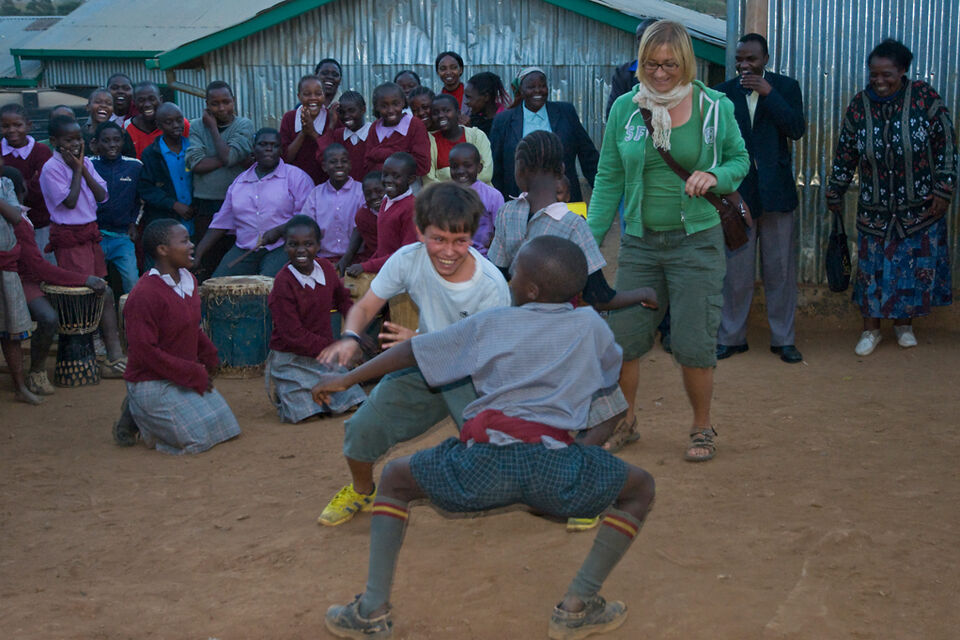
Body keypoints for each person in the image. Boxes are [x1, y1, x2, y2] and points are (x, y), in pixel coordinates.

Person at [316, 236, 655, 640]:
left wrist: (347, 379)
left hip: (483, 465)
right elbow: (611, 398)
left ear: (532, 290)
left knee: (395, 478)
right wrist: (577, 457)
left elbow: (413, 353)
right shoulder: (592, 327)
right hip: (555, 468)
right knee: (640, 488)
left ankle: (371, 611)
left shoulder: (492, 323)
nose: (509, 280)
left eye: (517, 274)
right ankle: (577, 607)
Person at [586, 21, 749, 462]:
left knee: (694, 343)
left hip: (697, 243)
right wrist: (588, 243)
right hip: (640, 243)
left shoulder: (714, 107)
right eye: (650, 64)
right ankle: (625, 421)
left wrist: (715, 175)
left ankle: (702, 427)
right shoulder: (625, 109)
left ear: (686, 63)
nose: (659, 74)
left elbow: (739, 160)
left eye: (670, 65)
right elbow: (608, 178)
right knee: (625, 340)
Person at [314, 181, 512, 527]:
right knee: (362, 429)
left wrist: (419, 342)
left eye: (460, 241)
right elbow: (366, 307)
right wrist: (349, 337)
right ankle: (362, 491)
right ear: (420, 232)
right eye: (438, 239)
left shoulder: (491, 288)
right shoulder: (407, 260)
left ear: (473, 237)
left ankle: (557, 486)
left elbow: (472, 357)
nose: (448, 251)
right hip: (422, 364)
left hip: (476, 376)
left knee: (499, 462)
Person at [826, 38, 956, 355]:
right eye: (874, 74)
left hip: (919, 207)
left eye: (887, 74)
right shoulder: (859, 105)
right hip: (875, 208)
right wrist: (836, 188)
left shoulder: (924, 98)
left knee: (910, 268)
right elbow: (845, 152)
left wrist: (943, 189)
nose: (879, 81)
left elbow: (947, 144)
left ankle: (903, 325)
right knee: (871, 272)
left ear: (903, 72)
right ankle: (870, 331)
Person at [490, 131, 659, 317]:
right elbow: (598, 297)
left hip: (514, 320)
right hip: (556, 326)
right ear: (562, 170)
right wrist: (645, 293)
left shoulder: (507, 213)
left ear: (519, 170)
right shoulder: (574, 225)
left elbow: (496, 273)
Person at [715, 33, 806, 364]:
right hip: (738, 195)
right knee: (735, 273)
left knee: (779, 271)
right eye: (739, 59)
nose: (744, 65)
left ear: (765, 59)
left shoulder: (786, 87)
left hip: (777, 194)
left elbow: (796, 128)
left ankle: (783, 339)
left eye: (751, 59)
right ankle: (731, 337)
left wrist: (769, 94)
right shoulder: (723, 93)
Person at [113, 218, 241, 454]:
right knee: (198, 440)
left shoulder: (189, 280)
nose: (191, 245)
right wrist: (192, 373)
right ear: (163, 250)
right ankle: (139, 409)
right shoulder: (144, 294)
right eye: (184, 241)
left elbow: (191, 327)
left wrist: (209, 355)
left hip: (179, 374)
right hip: (151, 380)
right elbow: (144, 352)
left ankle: (139, 411)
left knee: (226, 428)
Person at [5, 162, 108, 397]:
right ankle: (37, 372)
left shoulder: (21, 217)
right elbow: (38, 267)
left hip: (25, 278)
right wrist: (83, 279)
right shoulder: (18, 222)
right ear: (23, 189)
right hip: (19, 280)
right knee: (48, 317)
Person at [39, 115, 128, 377]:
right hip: (69, 237)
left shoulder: (87, 162)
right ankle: (99, 351)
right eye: (69, 140)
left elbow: (102, 196)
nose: (76, 144)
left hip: (90, 233)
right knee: (86, 293)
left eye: (79, 138)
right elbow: (69, 202)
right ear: (54, 141)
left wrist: (83, 168)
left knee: (102, 291)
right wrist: (76, 170)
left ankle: (113, 353)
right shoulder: (51, 168)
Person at [265, 215, 366, 423]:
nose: (301, 250)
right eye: (293, 245)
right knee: (308, 414)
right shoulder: (283, 283)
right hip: (291, 358)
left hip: (323, 356)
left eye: (308, 244)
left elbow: (344, 301)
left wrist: (356, 334)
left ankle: (293, 390)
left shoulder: (327, 269)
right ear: (285, 247)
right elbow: (293, 336)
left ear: (319, 245)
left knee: (353, 402)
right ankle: (286, 389)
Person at [192, 128, 314, 278]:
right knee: (218, 284)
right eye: (263, 144)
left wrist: (280, 230)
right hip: (245, 248)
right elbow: (221, 222)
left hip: (283, 247)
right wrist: (199, 253)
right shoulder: (239, 182)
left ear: (281, 150)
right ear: (253, 149)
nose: (268, 149)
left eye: (274, 145)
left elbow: (308, 218)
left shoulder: (297, 177)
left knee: (266, 285)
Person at [490, 67, 599, 202]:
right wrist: (500, 204)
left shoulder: (566, 112)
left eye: (542, 86)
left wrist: (602, 193)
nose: (538, 91)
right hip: (520, 200)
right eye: (531, 87)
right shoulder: (504, 120)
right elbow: (496, 168)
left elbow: (588, 156)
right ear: (521, 90)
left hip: (563, 198)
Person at [185, 80, 256, 281]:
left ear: (233, 101)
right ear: (207, 104)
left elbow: (228, 157)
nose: (221, 108)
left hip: (237, 203)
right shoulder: (196, 126)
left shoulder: (244, 125)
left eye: (226, 102)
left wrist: (213, 130)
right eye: (215, 104)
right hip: (206, 202)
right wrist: (231, 158)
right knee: (207, 259)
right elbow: (196, 164)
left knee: (234, 259)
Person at [0, 165, 39, 404]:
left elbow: (15, 217)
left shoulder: (5, 184)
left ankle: (20, 386)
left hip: (5, 267)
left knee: (11, 332)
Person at [345, 152, 417, 278]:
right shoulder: (386, 200)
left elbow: (406, 255)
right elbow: (383, 248)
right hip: (387, 270)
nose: (388, 180)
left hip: (402, 276)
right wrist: (367, 264)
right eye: (385, 174)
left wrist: (366, 266)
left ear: (410, 179)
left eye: (396, 176)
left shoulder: (412, 208)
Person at [91, 121, 141, 294]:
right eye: (106, 141)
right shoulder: (88, 165)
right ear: (96, 143)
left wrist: (134, 223)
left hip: (122, 236)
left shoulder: (134, 166)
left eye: (116, 140)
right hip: (95, 236)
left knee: (132, 281)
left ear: (123, 141)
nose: (112, 145)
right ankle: (100, 313)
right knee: (95, 284)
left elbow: (140, 199)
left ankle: (130, 311)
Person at [1, 104, 54, 263]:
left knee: (43, 263)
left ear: (29, 125)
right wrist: (27, 183)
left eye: (17, 125)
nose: (12, 130)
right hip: (6, 224)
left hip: (40, 222)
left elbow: (42, 187)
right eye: (5, 126)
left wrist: (13, 191)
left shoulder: (41, 151)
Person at [302, 143, 365, 263]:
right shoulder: (316, 194)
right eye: (333, 162)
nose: (339, 165)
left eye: (344, 161)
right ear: (324, 167)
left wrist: (347, 258)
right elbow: (307, 225)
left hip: (356, 259)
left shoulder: (361, 192)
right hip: (324, 258)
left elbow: (362, 228)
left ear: (350, 165)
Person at [139, 103, 195, 234]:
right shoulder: (151, 153)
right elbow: (146, 188)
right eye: (169, 122)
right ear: (159, 126)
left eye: (179, 120)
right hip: (166, 221)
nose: (176, 125)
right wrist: (173, 205)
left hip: (195, 218)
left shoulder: (193, 148)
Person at [423, 94, 493, 185]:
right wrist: (466, 174)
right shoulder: (428, 140)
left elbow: (486, 175)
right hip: (444, 194)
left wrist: (442, 173)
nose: (440, 115)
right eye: (435, 113)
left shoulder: (477, 136)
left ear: (458, 113)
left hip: (479, 193)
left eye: (446, 110)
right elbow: (429, 181)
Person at [280, 74, 336, 185]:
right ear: (299, 96)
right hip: (295, 185)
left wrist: (313, 133)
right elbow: (285, 158)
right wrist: (303, 132)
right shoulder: (289, 118)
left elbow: (333, 158)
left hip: (325, 185)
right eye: (307, 94)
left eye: (318, 94)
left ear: (324, 95)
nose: (313, 98)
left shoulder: (332, 118)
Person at [337, 171, 384, 303]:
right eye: (368, 194)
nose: (374, 196)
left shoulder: (397, 211)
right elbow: (375, 248)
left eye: (379, 191)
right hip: (375, 261)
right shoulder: (363, 216)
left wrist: (366, 266)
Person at [364, 83, 430, 176]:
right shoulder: (375, 127)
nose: (390, 110)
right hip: (380, 181)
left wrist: (379, 153)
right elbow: (367, 165)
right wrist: (403, 154)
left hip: (409, 182)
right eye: (384, 106)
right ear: (376, 107)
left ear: (403, 102)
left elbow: (422, 166)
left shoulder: (415, 125)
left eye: (395, 104)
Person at [448, 142, 502, 256]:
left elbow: (500, 231)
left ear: (479, 168)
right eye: (455, 166)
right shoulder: (444, 195)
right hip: (451, 254)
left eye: (467, 166)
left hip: (483, 257)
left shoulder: (493, 196)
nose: (460, 171)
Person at [605, 18, 658, 120]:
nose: (644, 42)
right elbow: (612, 114)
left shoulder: (673, 71)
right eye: (640, 38)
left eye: (650, 37)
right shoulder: (623, 73)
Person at [124, 82, 190, 159]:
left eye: (152, 99)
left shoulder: (179, 124)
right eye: (141, 100)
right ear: (134, 102)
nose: (147, 104)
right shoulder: (127, 127)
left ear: (160, 99)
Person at [82, 88, 135, 158]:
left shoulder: (122, 134)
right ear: (88, 107)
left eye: (109, 103)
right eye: (98, 102)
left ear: (113, 110)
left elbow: (130, 159)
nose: (104, 106)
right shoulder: (80, 134)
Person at [332, 91, 371, 181]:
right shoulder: (338, 135)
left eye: (351, 111)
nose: (346, 116)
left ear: (363, 109)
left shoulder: (374, 133)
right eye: (342, 112)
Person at [465, 71, 509, 136]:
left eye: (469, 97)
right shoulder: (475, 119)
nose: (466, 102)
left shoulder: (506, 121)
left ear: (486, 97)